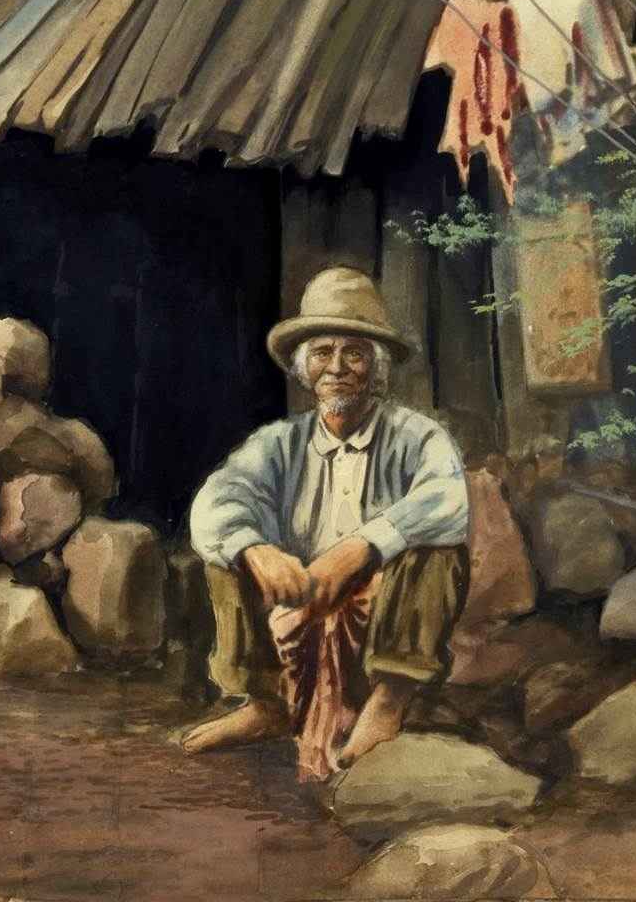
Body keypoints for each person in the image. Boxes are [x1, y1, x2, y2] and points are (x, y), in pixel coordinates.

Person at [182, 266, 470, 777]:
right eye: (322, 353)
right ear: (304, 367)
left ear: (375, 368)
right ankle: (268, 704)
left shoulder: (418, 437)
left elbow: (445, 499)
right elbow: (218, 499)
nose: (336, 367)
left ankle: (388, 701)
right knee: (227, 546)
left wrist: (359, 549)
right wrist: (256, 550)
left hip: (380, 633)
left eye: (353, 353)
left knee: (438, 548)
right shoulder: (278, 444)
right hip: (296, 623)